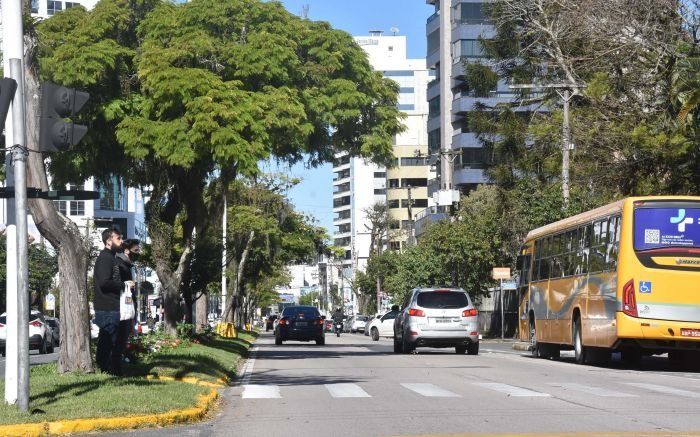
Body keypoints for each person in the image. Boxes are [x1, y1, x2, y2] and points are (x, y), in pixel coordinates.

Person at [94, 228, 133, 375]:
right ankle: (105, 370)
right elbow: (104, 282)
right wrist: (124, 285)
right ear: (109, 241)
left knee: (117, 341)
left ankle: (115, 370)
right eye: (118, 238)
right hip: (107, 308)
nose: (121, 241)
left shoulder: (112, 258)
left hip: (114, 307)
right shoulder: (104, 258)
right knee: (108, 341)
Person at [115, 239, 141, 365]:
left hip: (127, 307)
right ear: (126, 251)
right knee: (121, 335)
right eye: (135, 250)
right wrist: (126, 284)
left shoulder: (127, 265)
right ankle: (118, 361)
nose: (138, 253)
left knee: (124, 335)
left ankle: (122, 358)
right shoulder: (120, 265)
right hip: (121, 309)